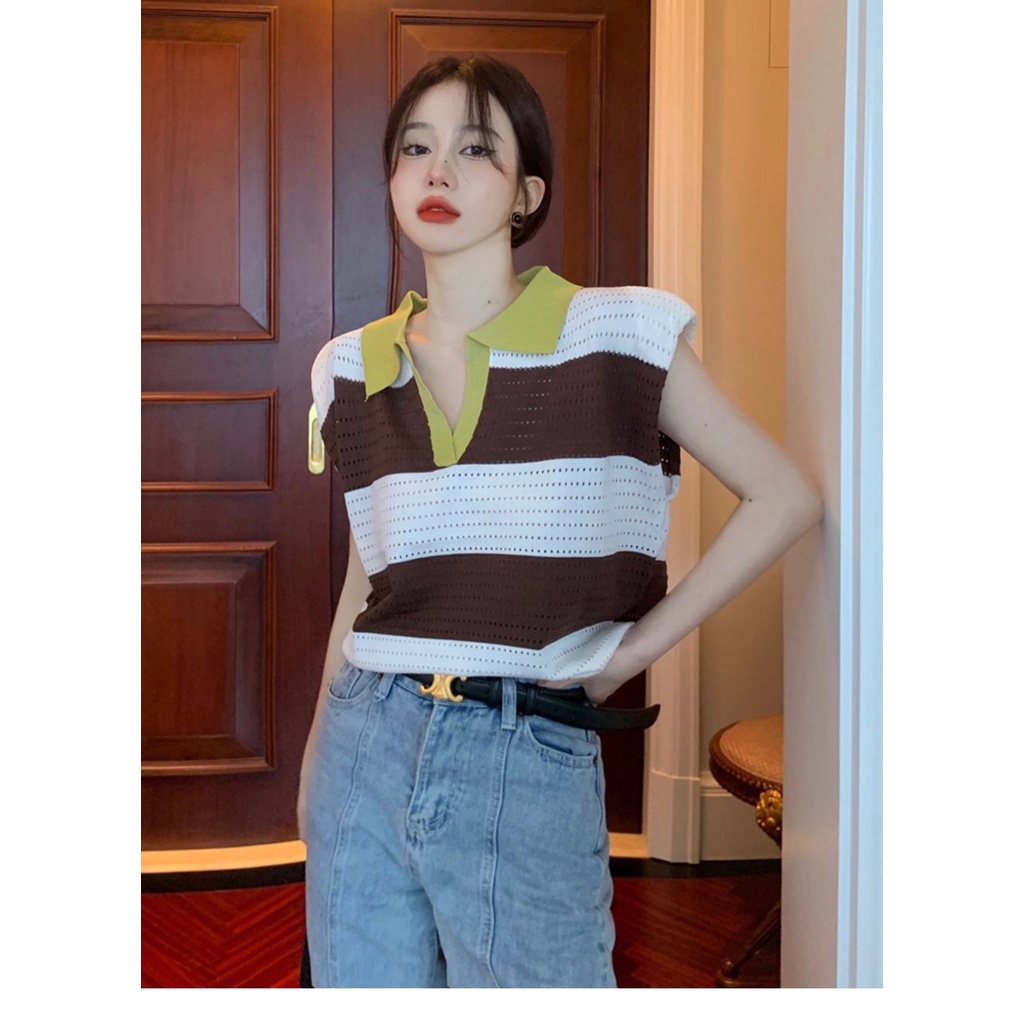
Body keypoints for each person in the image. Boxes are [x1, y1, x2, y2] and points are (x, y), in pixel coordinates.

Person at [297, 54, 823, 989]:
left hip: (525, 750)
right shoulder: (348, 366)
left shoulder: (619, 336)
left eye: (474, 149)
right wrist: (314, 765)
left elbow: (785, 496)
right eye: (415, 148)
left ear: (526, 193)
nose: (437, 171)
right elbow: (367, 579)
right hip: (363, 740)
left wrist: (626, 655)